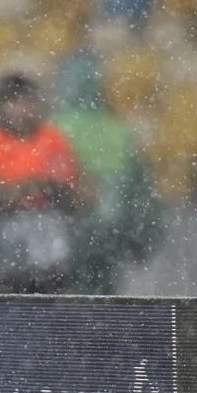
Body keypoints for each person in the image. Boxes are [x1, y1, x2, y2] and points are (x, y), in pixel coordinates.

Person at [0, 72, 96, 294]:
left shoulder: (52, 138)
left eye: (25, 101)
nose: (20, 109)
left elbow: (82, 192)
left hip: (51, 235)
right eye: (13, 102)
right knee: (9, 297)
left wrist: (58, 191)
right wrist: (23, 189)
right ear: (0, 105)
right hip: (2, 234)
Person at [53, 53, 163, 295]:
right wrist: (143, 234)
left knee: (65, 303)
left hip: (66, 233)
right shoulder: (120, 130)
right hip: (110, 231)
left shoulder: (54, 127)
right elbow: (139, 189)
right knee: (104, 298)